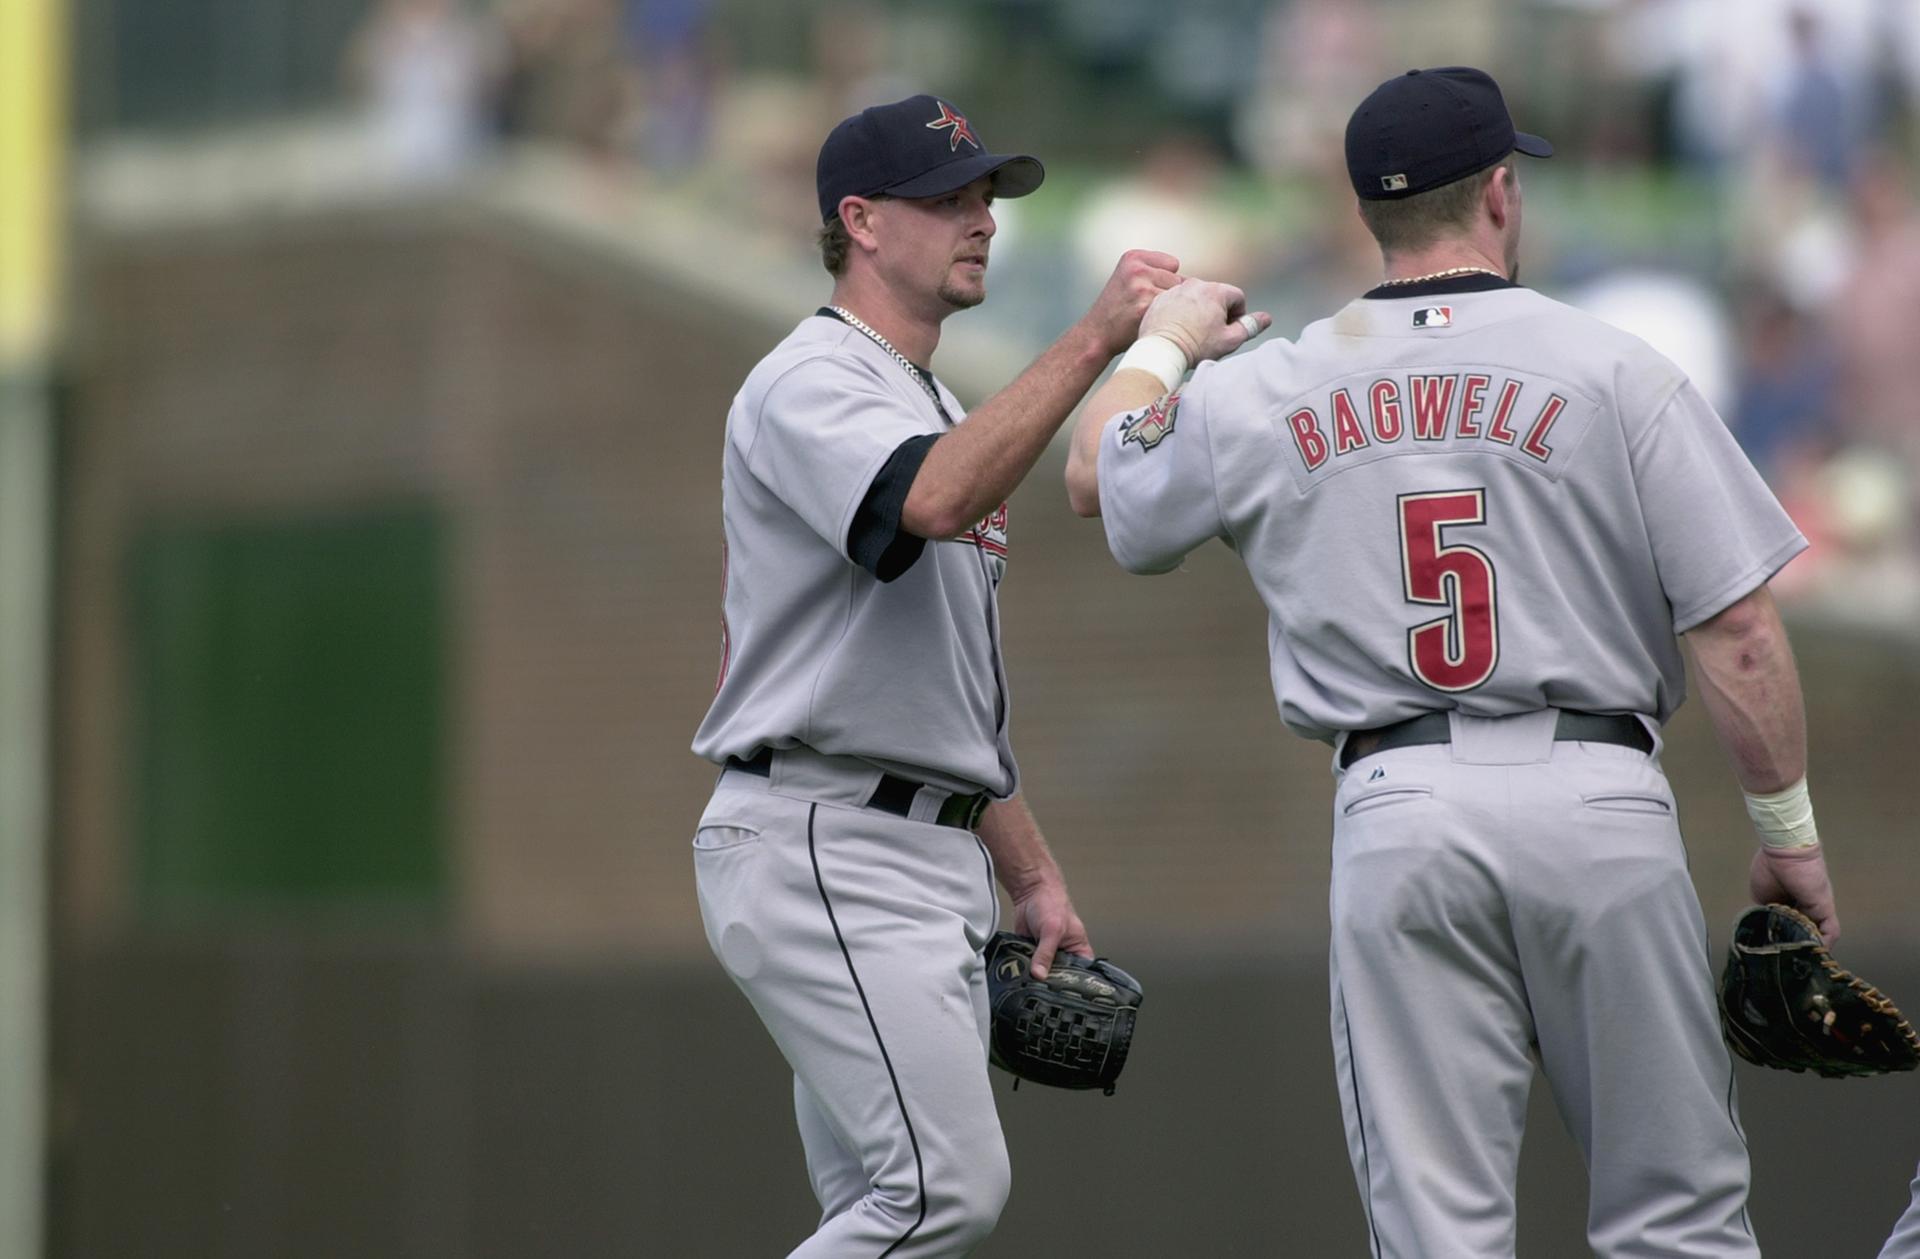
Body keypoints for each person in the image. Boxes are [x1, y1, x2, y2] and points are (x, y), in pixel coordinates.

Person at [1065, 66, 1837, 1259]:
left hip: (1400, 804)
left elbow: (1094, 474)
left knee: (1438, 1235)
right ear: (1499, 191)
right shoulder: (1614, 365)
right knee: (1679, 1216)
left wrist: (1164, 346)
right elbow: (1738, 629)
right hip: (1600, 796)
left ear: (1373, 212)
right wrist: (1787, 834)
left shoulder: (1271, 382)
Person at [690, 94, 1177, 1256]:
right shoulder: (808, 379)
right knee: (939, 1192)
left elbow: (943, 686)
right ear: (859, 220)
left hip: (914, 841)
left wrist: (1033, 872)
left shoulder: (938, 404)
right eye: (948, 197)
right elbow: (932, 498)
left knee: (880, 1208)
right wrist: (1102, 336)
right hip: (827, 837)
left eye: (987, 197)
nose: (982, 220)